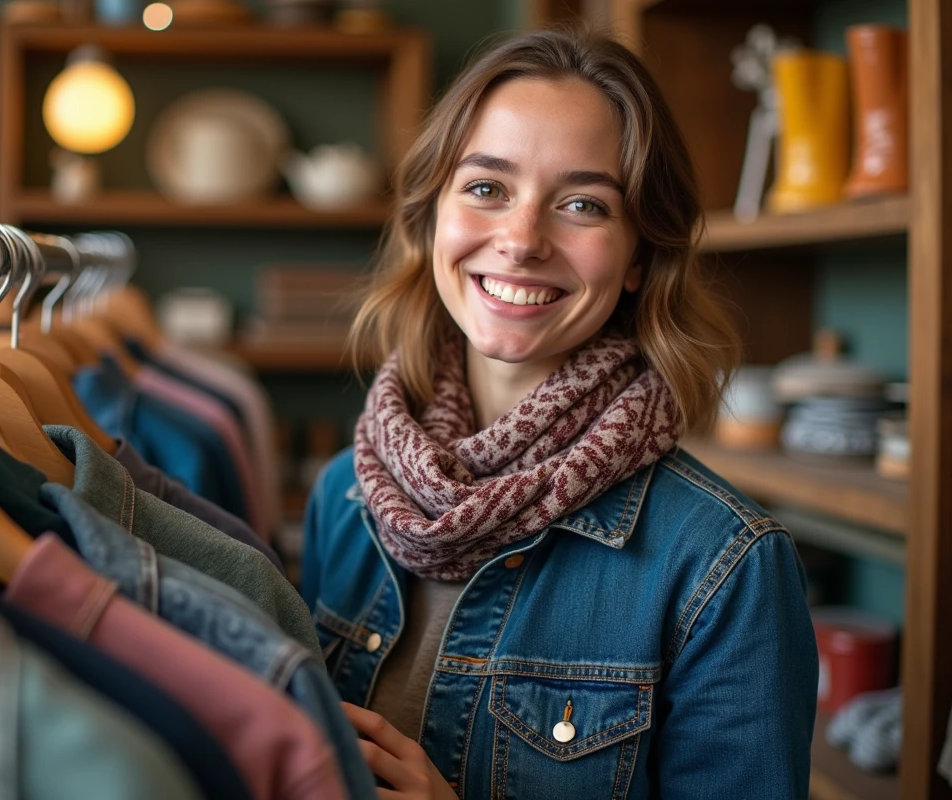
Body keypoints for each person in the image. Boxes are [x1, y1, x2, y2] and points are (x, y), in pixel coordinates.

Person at [300, 28, 818, 800]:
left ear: (641, 254)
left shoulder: (724, 564)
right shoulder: (345, 497)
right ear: (432, 216)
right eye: (486, 188)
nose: (519, 240)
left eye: (582, 204)